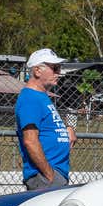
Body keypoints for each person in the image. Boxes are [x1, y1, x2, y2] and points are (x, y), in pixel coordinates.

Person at [16, 48, 77, 191]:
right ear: (37, 71)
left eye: (59, 68)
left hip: (53, 174)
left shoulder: (42, 97)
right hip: (44, 177)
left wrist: (68, 128)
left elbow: (49, 125)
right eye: (54, 68)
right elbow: (30, 140)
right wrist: (49, 175)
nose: (59, 73)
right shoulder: (30, 98)